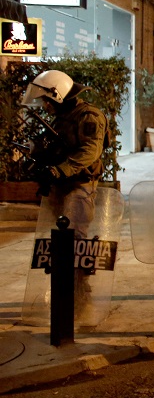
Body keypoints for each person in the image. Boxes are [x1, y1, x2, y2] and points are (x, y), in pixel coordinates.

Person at [21, 69, 108, 311]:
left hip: (80, 185)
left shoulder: (89, 116)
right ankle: (64, 297)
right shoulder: (63, 115)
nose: (45, 106)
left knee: (76, 243)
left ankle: (79, 301)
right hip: (61, 186)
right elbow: (54, 145)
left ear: (57, 95)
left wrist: (61, 169)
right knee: (59, 244)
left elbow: (90, 151)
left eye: (46, 101)